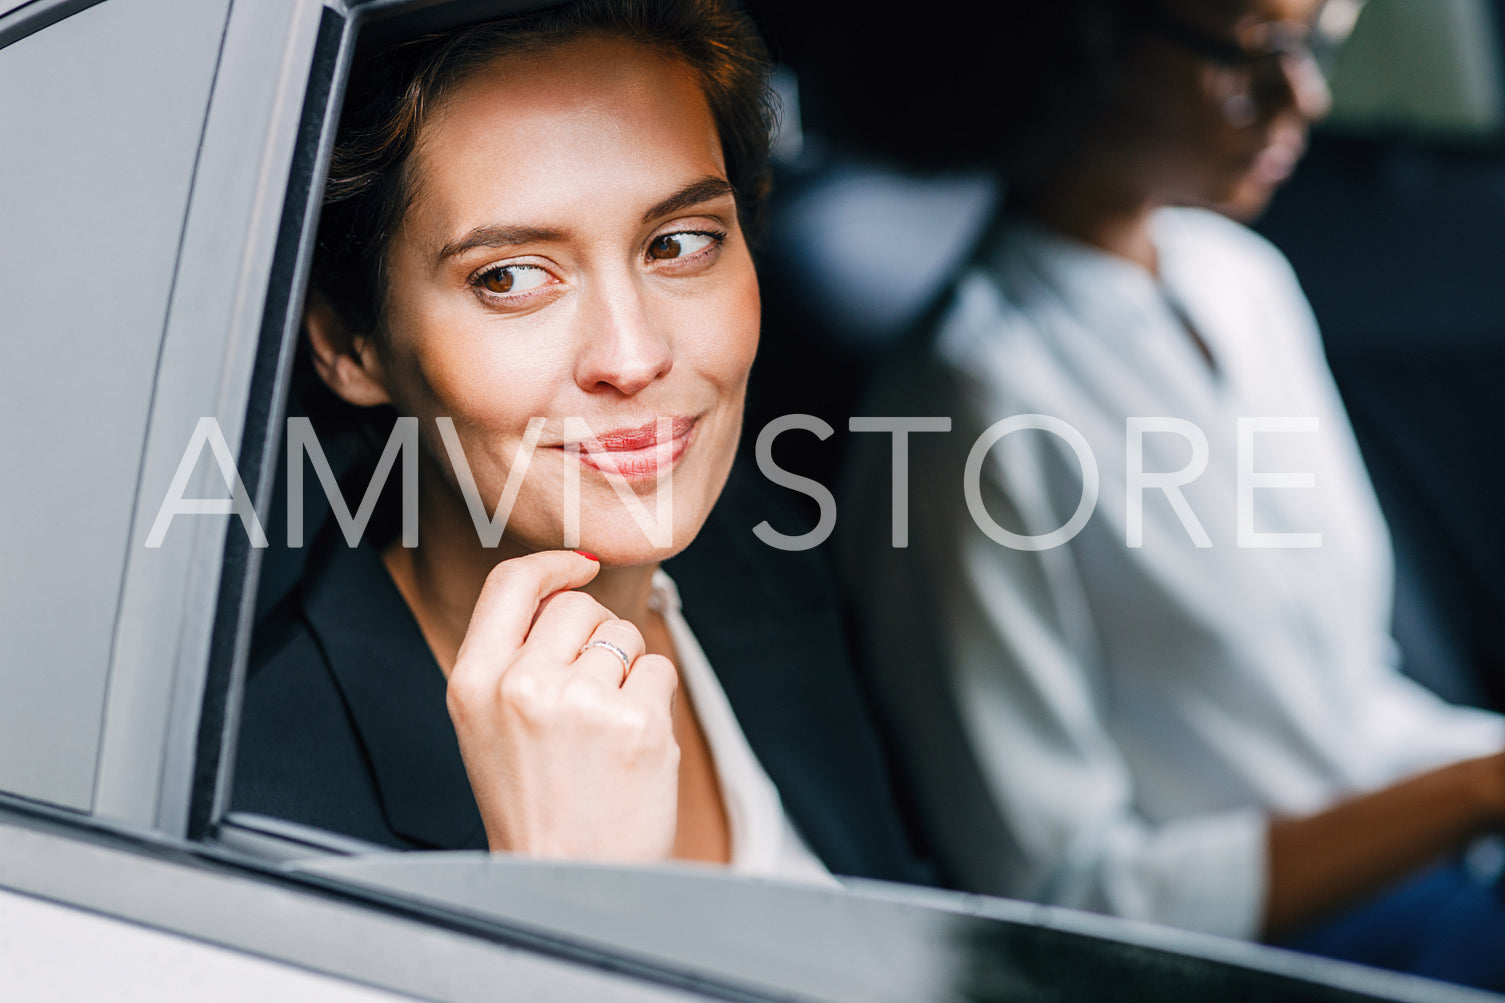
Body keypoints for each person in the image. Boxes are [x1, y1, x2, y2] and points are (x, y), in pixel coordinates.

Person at [835, 0, 1505, 986]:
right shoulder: (964, 404)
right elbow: (1059, 895)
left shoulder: (1239, 282)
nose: (1302, 96)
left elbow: (1344, 711)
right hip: (1245, 960)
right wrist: (1466, 795)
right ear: (1075, 49)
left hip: (1418, 877)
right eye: (1253, 54)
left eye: (1311, 43)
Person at [232, 0, 926, 886]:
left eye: (679, 242)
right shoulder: (261, 798)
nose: (632, 356)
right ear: (347, 343)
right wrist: (563, 890)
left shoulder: (761, 556)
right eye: (512, 277)